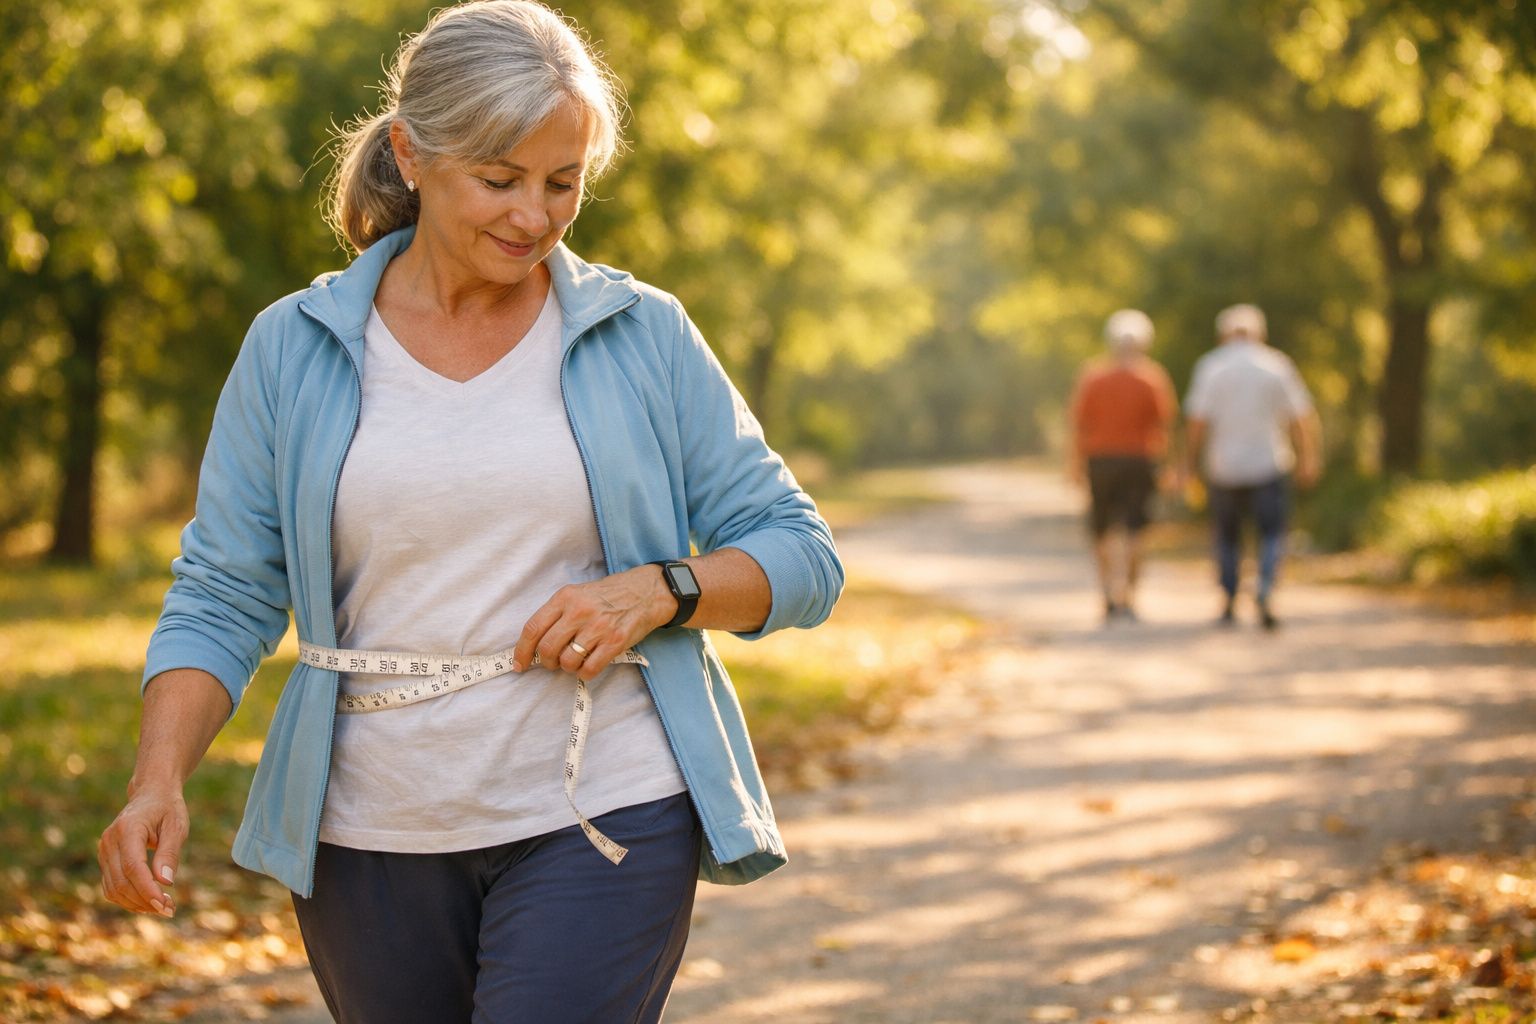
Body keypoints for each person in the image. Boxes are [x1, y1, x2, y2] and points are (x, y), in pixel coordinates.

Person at [96, 3, 845, 1021]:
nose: (535, 216)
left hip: (605, 802)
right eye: (499, 180)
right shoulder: (294, 348)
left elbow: (801, 553)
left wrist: (662, 591)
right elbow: (225, 593)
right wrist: (157, 781)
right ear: (410, 153)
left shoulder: (644, 336)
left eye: (563, 181)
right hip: (368, 829)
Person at [1183, 303, 1320, 630]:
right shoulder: (1276, 365)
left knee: (1227, 535)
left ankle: (1229, 598)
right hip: (1268, 464)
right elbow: (1300, 417)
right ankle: (1265, 586)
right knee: (1272, 532)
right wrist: (1308, 458)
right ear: (1260, 332)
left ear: (1223, 334)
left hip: (1224, 467)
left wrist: (1188, 464)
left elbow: (1197, 422)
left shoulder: (1211, 367)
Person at [1069, 309, 1178, 623]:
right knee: (1135, 532)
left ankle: (1106, 592)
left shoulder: (1092, 377)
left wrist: (1075, 467)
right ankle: (1128, 596)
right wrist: (1168, 466)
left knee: (1101, 530)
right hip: (1139, 461)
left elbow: (1079, 425)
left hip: (1101, 461)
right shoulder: (1152, 378)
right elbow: (1164, 426)